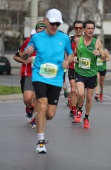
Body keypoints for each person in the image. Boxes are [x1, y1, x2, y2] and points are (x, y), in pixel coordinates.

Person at [20, 8, 74, 154]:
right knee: (42, 105)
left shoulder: (63, 38)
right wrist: (27, 53)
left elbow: (71, 54)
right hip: (39, 75)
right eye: (52, 23)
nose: (55, 26)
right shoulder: (36, 38)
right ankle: (41, 141)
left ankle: (41, 119)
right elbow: (23, 56)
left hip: (56, 78)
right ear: (46, 21)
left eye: (57, 23)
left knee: (50, 114)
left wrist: (67, 62)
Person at [72, 20, 106, 128]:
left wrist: (100, 54)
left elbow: (104, 56)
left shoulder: (97, 42)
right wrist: (75, 58)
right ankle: (79, 111)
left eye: (92, 28)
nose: (91, 30)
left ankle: (86, 117)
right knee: (81, 94)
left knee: (90, 98)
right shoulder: (78, 40)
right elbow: (75, 53)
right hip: (79, 71)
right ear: (84, 30)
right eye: (88, 28)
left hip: (91, 74)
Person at [13, 21, 46, 128]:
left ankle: (35, 119)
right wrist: (26, 57)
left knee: (37, 97)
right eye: (39, 28)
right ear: (36, 30)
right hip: (28, 74)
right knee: (27, 98)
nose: (41, 30)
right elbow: (19, 55)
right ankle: (29, 108)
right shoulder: (29, 41)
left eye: (43, 28)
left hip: (42, 74)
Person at [68, 20, 84, 117]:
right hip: (72, 67)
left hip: (83, 68)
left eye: (80, 28)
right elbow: (66, 51)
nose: (78, 30)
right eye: (76, 28)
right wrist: (69, 59)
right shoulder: (70, 39)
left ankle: (79, 107)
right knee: (73, 90)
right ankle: (74, 110)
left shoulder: (86, 39)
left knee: (81, 93)